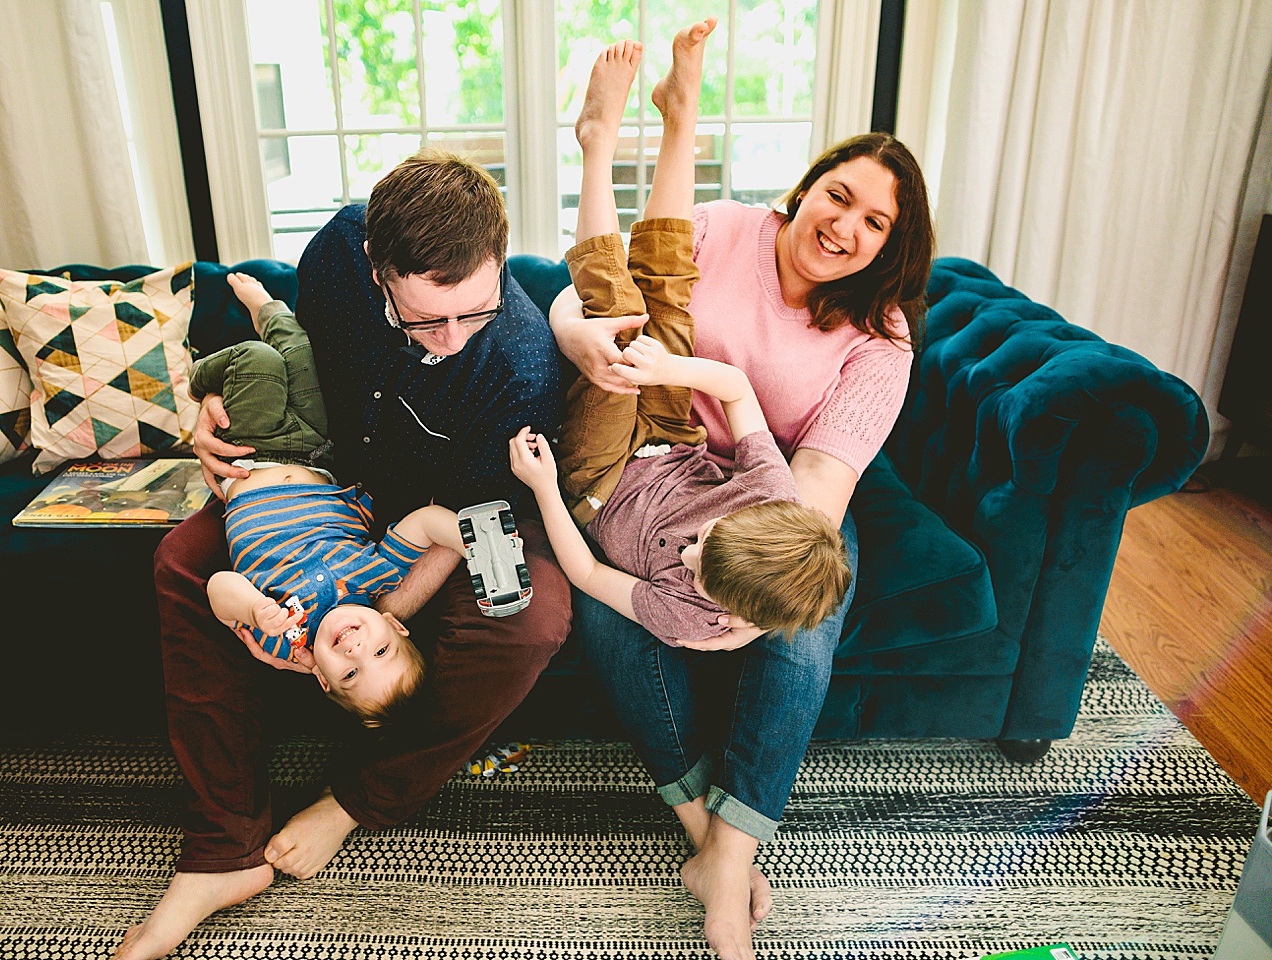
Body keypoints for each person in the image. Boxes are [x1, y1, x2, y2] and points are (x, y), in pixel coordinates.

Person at [113, 149, 571, 960]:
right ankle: (224, 848)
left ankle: (358, 801)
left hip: (449, 512)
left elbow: (465, 520)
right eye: (427, 319)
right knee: (182, 562)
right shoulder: (335, 252)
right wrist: (211, 414)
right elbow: (288, 361)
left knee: (529, 622)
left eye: (477, 309)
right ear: (374, 268)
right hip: (324, 482)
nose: (455, 340)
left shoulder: (518, 366)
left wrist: (374, 611)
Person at [549, 20, 935, 960]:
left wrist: (746, 593)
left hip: (770, 502)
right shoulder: (727, 226)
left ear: (891, 245)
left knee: (801, 627)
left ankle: (730, 851)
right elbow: (585, 294)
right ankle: (703, 835)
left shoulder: (880, 343)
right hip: (643, 453)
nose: (843, 227)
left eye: (873, 222)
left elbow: (815, 491)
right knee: (612, 611)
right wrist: (581, 340)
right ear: (803, 191)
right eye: (836, 196)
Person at [510, 34, 849, 650]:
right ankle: (680, 117)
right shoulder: (773, 496)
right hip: (674, 439)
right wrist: (671, 367)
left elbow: (587, 572)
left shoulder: (694, 620)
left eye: (697, 566)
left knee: (615, 317)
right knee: (667, 300)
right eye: (708, 539)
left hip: (603, 480)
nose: (690, 550)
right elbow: (738, 389)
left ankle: (595, 145)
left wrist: (542, 485)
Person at [192, 273, 469, 724]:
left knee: (259, 360)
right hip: (313, 453)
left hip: (251, 459)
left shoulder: (283, 635)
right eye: (381, 649)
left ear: (321, 677)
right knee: (298, 352)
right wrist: (469, 541)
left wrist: (254, 609)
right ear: (396, 625)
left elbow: (218, 587)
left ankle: (197, 375)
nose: (357, 650)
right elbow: (422, 524)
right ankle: (265, 306)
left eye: (350, 674)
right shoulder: (375, 577)